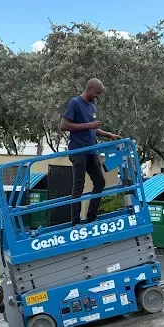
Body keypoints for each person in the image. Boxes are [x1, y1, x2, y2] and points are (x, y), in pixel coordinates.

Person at [61, 78, 121, 226]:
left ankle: (91, 217)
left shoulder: (92, 107)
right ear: (89, 88)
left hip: (91, 151)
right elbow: (64, 125)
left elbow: (93, 128)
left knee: (100, 181)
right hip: (78, 151)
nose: (98, 96)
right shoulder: (75, 103)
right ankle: (75, 222)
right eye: (97, 93)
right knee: (79, 185)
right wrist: (89, 125)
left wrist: (107, 134)